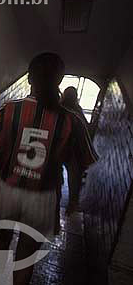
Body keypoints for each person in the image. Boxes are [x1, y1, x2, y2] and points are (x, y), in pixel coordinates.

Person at [0, 53, 98, 285]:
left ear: (30, 78)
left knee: (2, 238)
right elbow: (75, 168)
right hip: (43, 197)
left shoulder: (10, 110)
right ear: (60, 80)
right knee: (27, 250)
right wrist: (73, 200)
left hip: (5, 189)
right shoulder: (72, 121)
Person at [60, 86, 90, 215]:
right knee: (74, 178)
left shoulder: (59, 109)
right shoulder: (78, 112)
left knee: (56, 174)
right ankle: (72, 204)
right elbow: (86, 129)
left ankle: (56, 202)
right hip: (74, 151)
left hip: (61, 147)